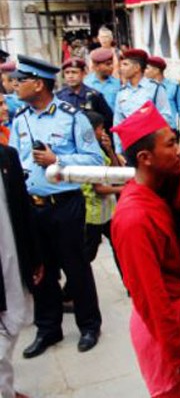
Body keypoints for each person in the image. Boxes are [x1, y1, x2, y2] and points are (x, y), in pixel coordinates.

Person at [8, 54, 104, 358]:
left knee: (76, 267)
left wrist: (57, 160)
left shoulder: (72, 116)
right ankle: (48, 329)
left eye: (21, 81)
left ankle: (89, 325)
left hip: (65, 204)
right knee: (41, 271)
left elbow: (94, 160)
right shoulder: (20, 117)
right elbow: (15, 158)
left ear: (38, 84)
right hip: (32, 207)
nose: (15, 85)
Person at [110, 101, 180, 397]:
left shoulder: (155, 192)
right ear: (145, 158)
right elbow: (150, 296)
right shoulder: (134, 218)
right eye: (171, 144)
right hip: (165, 336)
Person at [0, 141, 42, 398]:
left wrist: (34, 257)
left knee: (12, 323)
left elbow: (23, 211)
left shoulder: (7, 156)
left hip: (11, 258)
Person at [81, 111, 123, 265]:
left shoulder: (100, 150)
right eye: (101, 129)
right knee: (88, 253)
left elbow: (116, 171)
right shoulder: (90, 154)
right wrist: (123, 190)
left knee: (118, 245)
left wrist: (110, 150)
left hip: (107, 210)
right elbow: (98, 188)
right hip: (94, 212)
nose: (103, 132)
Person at [113, 49, 173, 154]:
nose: (121, 68)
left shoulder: (155, 88)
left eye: (125, 65)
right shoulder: (121, 92)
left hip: (151, 145)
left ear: (137, 68)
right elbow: (118, 122)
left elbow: (166, 116)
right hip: (130, 146)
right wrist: (118, 150)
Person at [56, 58, 114, 131]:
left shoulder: (94, 96)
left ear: (83, 73)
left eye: (74, 72)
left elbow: (108, 120)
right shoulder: (59, 97)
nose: (70, 76)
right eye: (67, 73)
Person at [145, 56, 180, 145]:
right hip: (151, 132)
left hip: (169, 130)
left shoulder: (174, 86)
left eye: (147, 68)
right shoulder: (145, 87)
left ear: (156, 70)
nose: (144, 71)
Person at [85, 47, 122, 113]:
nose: (112, 67)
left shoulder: (118, 84)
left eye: (112, 63)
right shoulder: (87, 83)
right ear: (96, 66)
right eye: (108, 64)